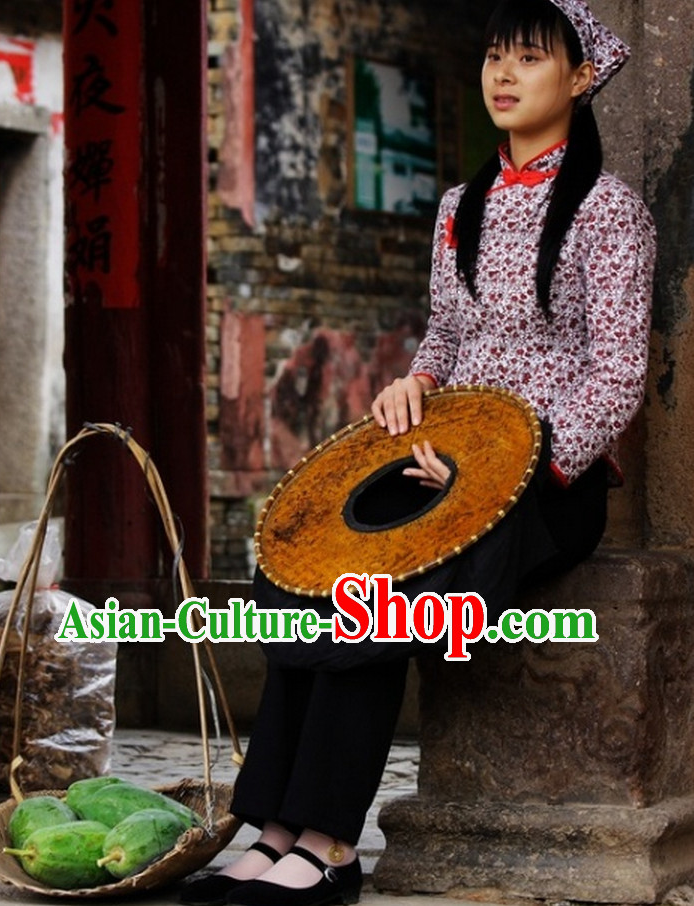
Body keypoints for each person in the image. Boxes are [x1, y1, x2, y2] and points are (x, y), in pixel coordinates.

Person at [180, 1, 656, 905]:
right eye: (492, 56)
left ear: (582, 77)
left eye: (528, 58)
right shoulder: (457, 207)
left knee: (384, 599)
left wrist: (506, 471)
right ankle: (274, 823)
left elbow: (617, 378)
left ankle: (328, 843)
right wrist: (413, 384)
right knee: (310, 567)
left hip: (549, 482)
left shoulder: (607, 212)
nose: (502, 74)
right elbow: (446, 333)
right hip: (438, 459)